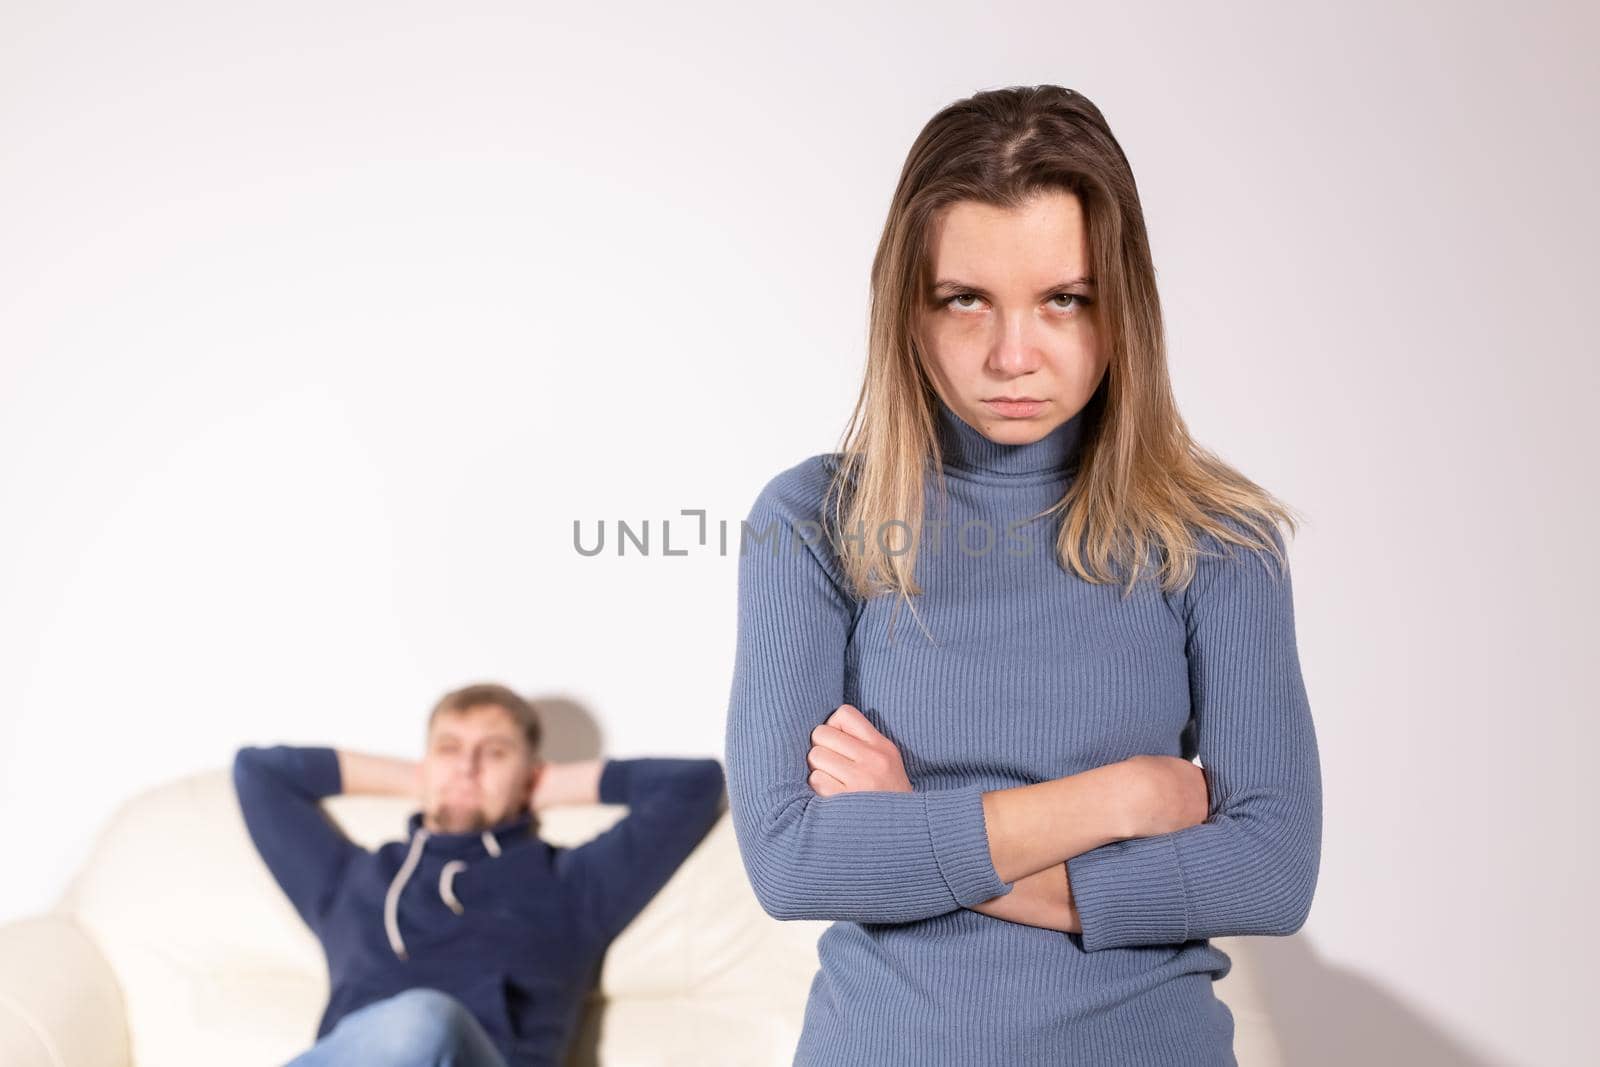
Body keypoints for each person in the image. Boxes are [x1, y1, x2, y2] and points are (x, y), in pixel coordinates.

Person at [723, 84, 1322, 1066]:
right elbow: (792, 860)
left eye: (1063, 300)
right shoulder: (813, 524)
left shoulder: (1219, 538)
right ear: (905, 309)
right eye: (965, 299)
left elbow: (1267, 871)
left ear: (1120, 305)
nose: (1013, 356)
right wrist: (1120, 796)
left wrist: (911, 829)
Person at [234, 682, 726, 1067]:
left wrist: (544, 786)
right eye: (449, 748)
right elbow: (258, 773)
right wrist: (427, 780)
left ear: (531, 774)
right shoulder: (350, 880)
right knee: (411, 1022)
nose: (467, 766)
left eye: (494, 753)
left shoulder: (569, 884)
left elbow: (694, 785)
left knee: (424, 1019)